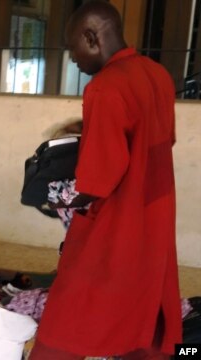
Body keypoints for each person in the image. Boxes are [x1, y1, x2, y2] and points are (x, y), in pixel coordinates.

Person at [30, 1, 181, 359]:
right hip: (155, 218)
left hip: (117, 224)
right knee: (144, 314)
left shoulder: (105, 88)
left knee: (64, 327)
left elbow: (96, 182)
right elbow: (159, 144)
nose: (73, 59)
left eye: (73, 49)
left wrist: (52, 194)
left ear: (90, 37)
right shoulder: (157, 75)